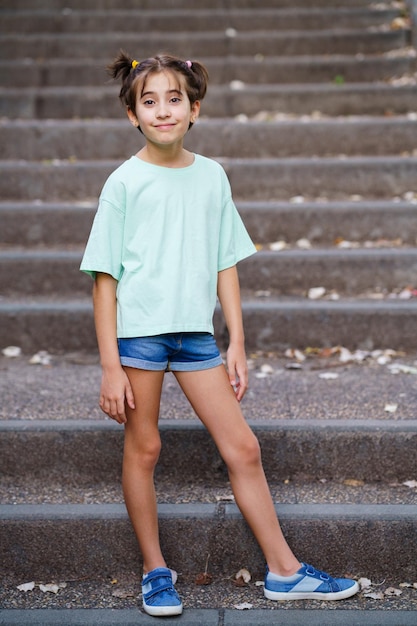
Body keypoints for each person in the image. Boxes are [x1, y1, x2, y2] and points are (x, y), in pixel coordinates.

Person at [80, 51, 359, 617]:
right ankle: (156, 571)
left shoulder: (212, 176)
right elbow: (104, 280)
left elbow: (225, 263)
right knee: (146, 446)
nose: (163, 110)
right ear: (133, 114)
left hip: (196, 338)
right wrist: (110, 364)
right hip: (139, 338)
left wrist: (237, 342)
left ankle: (284, 572)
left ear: (194, 108)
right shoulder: (124, 183)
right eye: (149, 101)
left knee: (244, 447)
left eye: (174, 99)